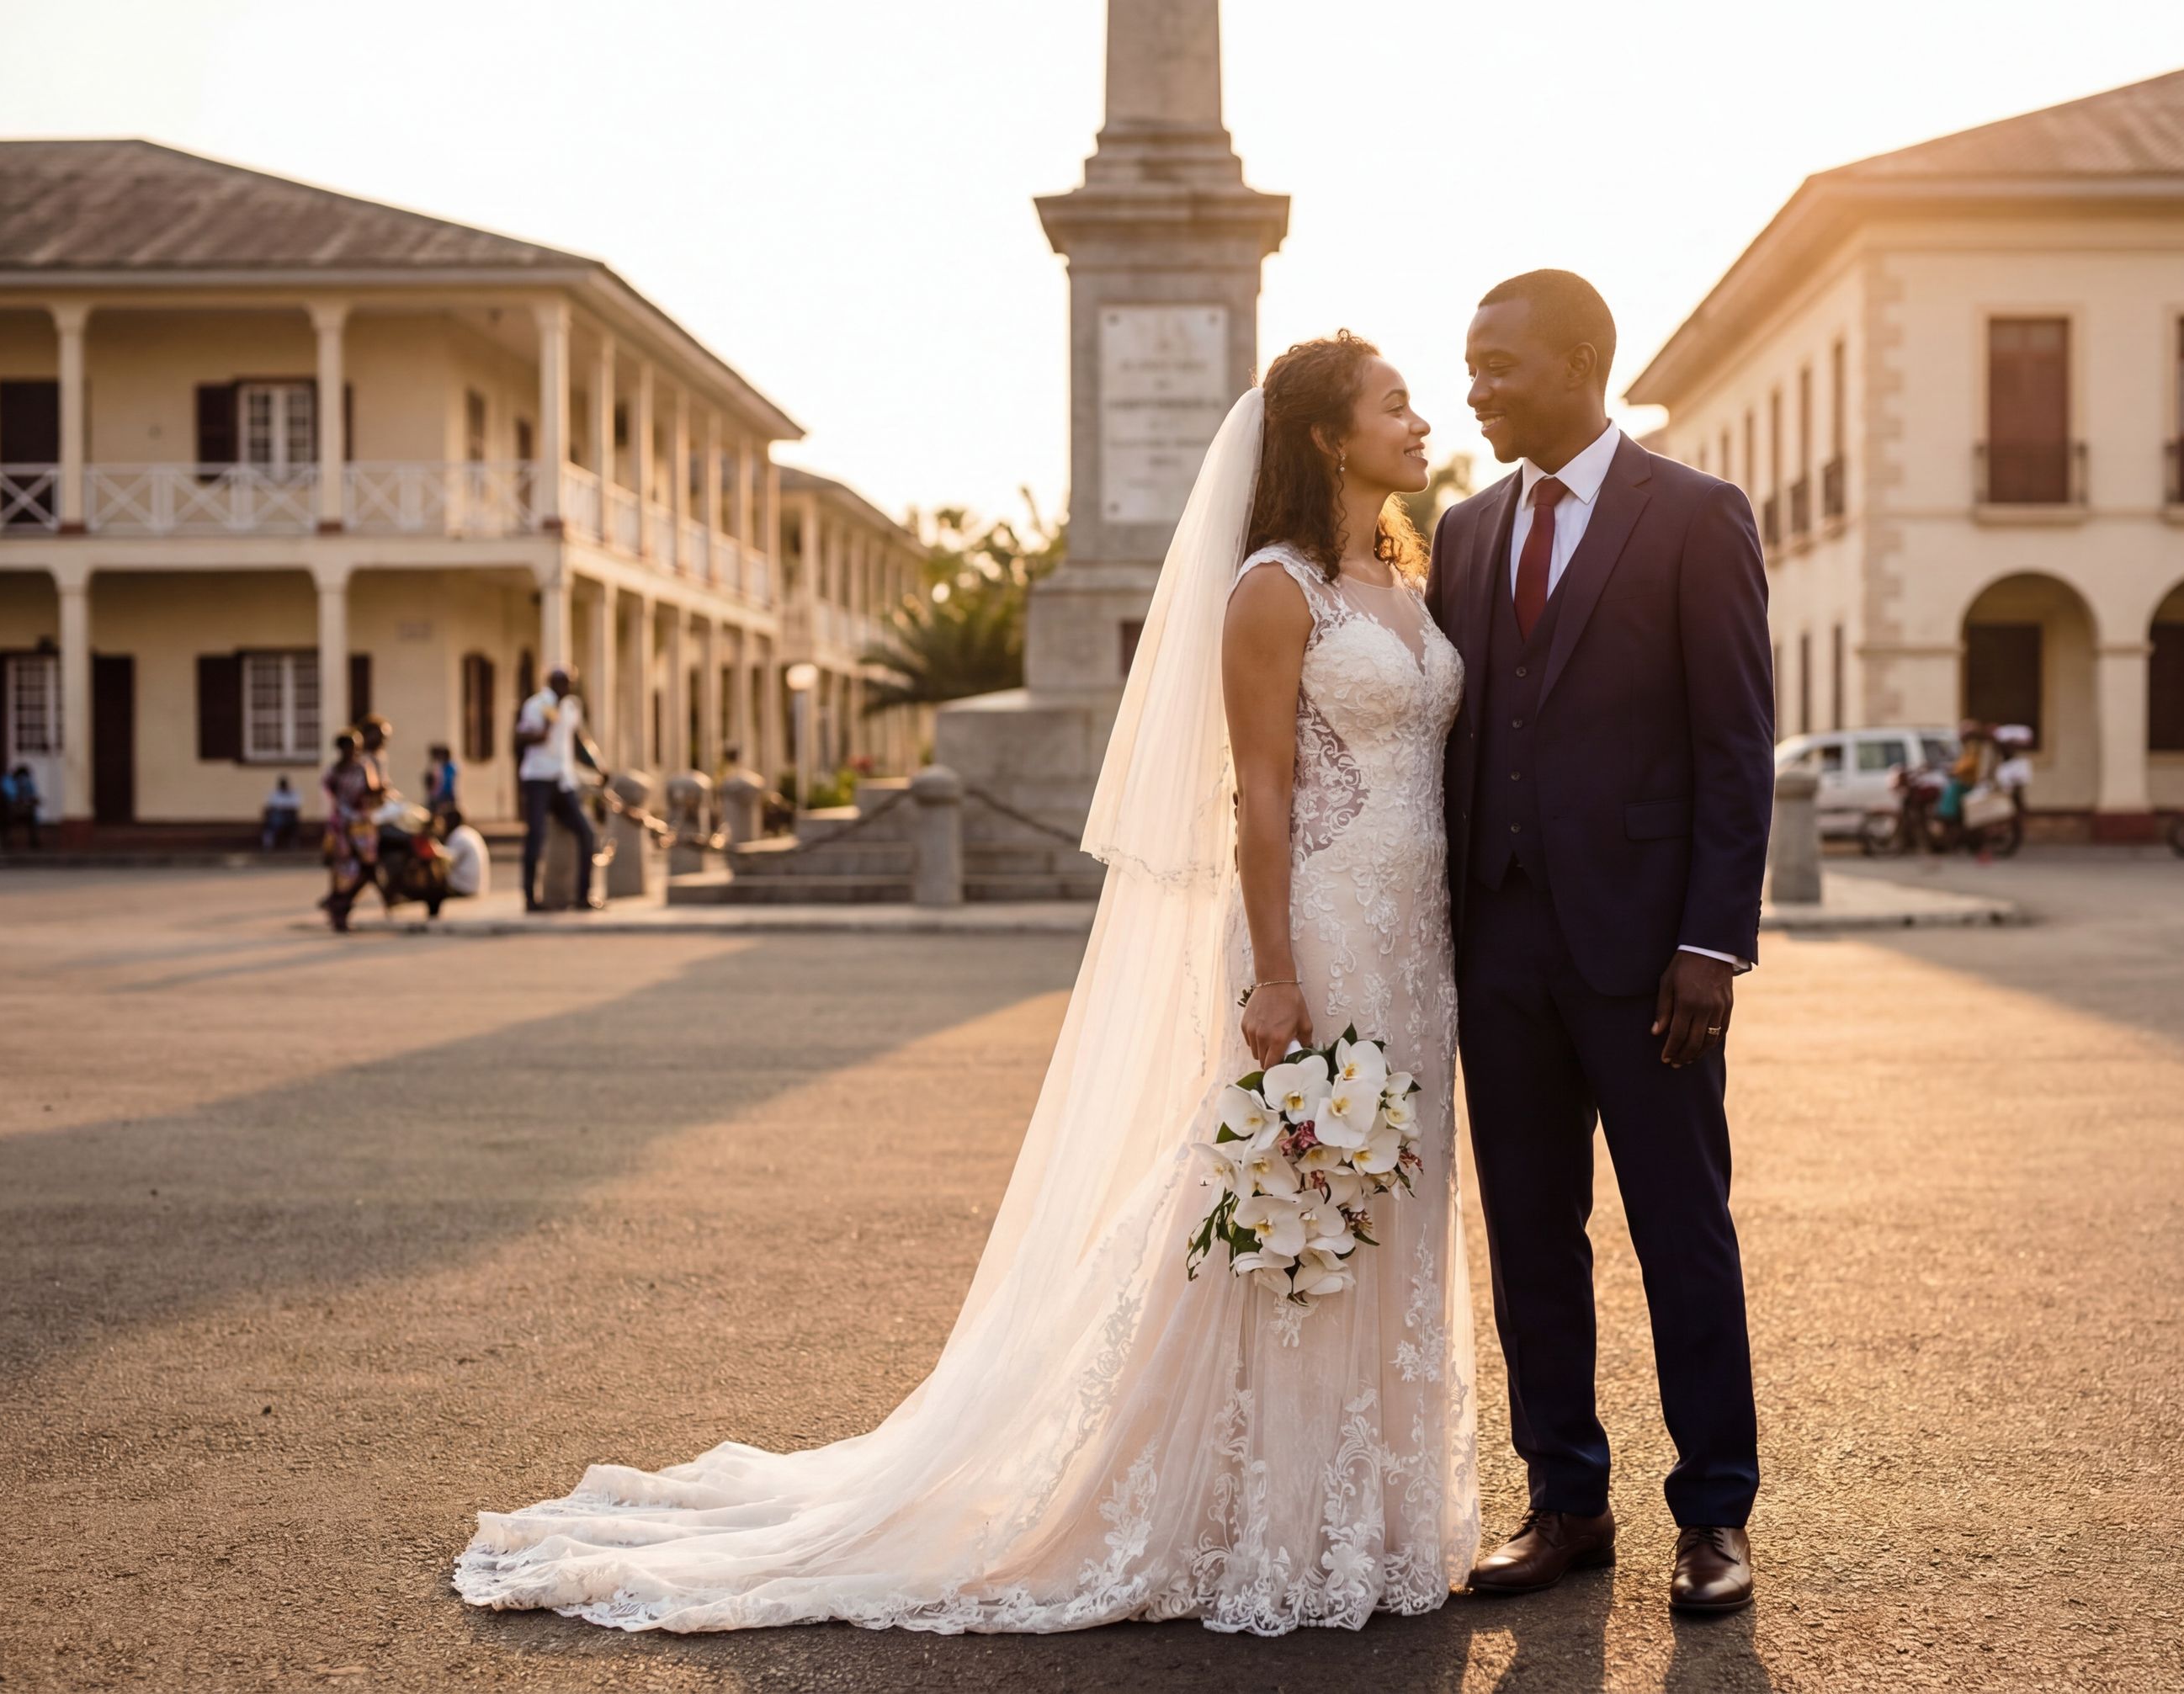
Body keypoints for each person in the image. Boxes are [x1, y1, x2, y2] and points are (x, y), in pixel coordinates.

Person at [458, 347, 1479, 1632]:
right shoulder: (1272, 594)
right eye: (1395, 404)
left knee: (1391, 1199)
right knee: (1299, 1204)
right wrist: (1276, 970)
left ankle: (1363, 1512)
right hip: (1324, 928)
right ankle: (1259, 1516)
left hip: (1417, 943)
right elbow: (1261, 795)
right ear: (1331, 438)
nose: (1421, 418)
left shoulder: (1404, 575)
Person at [1425, 271, 1771, 1612]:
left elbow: (1737, 747)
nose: (1476, 386)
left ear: (1581, 362)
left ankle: (1716, 1515)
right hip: (1499, 947)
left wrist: (1712, 942)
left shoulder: (1695, 516)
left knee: (1681, 1228)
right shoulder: (1460, 530)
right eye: (1468, 364)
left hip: (1650, 956)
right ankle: (1565, 1500)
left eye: (1499, 364)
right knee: (1529, 1232)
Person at [513, 668, 603, 912]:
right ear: (552, 683)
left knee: (586, 833)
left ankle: (583, 895)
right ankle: (530, 899)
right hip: (538, 778)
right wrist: (541, 730)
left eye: (569, 683)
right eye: (562, 683)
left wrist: (598, 766)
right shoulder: (536, 705)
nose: (566, 688)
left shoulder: (571, 707)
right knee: (536, 836)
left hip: (563, 780)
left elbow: (578, 740)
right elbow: (521, 736)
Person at [321, 730, 381, 932]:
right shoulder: (338, 771)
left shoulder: (362, 767)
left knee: (363, 869)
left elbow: (371, 791)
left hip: (360, 825)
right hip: (345, 826)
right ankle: (339, 910)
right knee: (345, 871)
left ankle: (338, 906)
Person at [426, 805, 489, 918]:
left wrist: (433, 848)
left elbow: (447, 860)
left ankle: (433, 917)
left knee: (432, 887)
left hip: (465, 887)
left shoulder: (459, 836)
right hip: (476, 885)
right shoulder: (467, 832)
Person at [2, 764, 41, 851]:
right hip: (14, 809)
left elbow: (32, 795)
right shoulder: (9, 781)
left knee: (31, 820)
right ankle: (9, 840)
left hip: (23, 810)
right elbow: (11, 796)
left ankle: (33, 840)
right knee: (11, 822)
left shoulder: (27, 782)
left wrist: (30, 800)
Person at [261, 774, 301, 851]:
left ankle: (293, 843)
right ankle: (268, 844)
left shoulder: (293, 793)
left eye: (284, 784)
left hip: (289, 815)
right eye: (282, 784)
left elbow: (295, 805)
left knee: (292, 821)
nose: (283, 786)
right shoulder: (275, 793)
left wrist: (283, 807)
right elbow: (271, 805)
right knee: (270, 820)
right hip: (277, 816)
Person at [423, 743, 460, 815]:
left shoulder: (448, 767)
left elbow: (447, 782)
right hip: (438, 795)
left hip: (445, 795)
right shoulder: (439, 766)